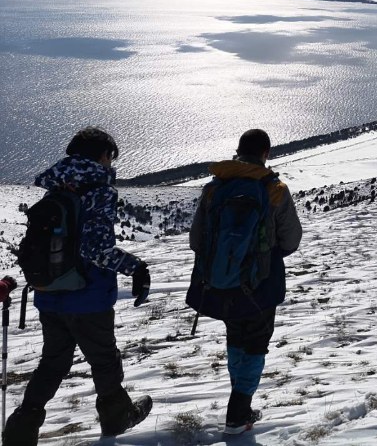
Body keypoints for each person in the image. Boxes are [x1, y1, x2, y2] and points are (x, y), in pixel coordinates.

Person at [3, 128, 152, 446]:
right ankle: (116, 418)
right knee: (104, 359)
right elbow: (96, 250)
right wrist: (136, 268)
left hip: (49, 292)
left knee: (53, 360)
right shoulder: (99, 191)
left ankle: (21, 428)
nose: (111, 163)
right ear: (103, 156)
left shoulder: (56, 188)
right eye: (111, 156)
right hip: (87, 298)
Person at [186, 129, 302, 435]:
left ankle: (239, 404)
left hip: (221, 282)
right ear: (266, 153)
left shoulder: (214, 188)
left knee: (236, 340)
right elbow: (291, 240)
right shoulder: (274, 188)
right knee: (256, 344)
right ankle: (238, 415)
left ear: (238, 151)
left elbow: (196, 239)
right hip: (260, 284)